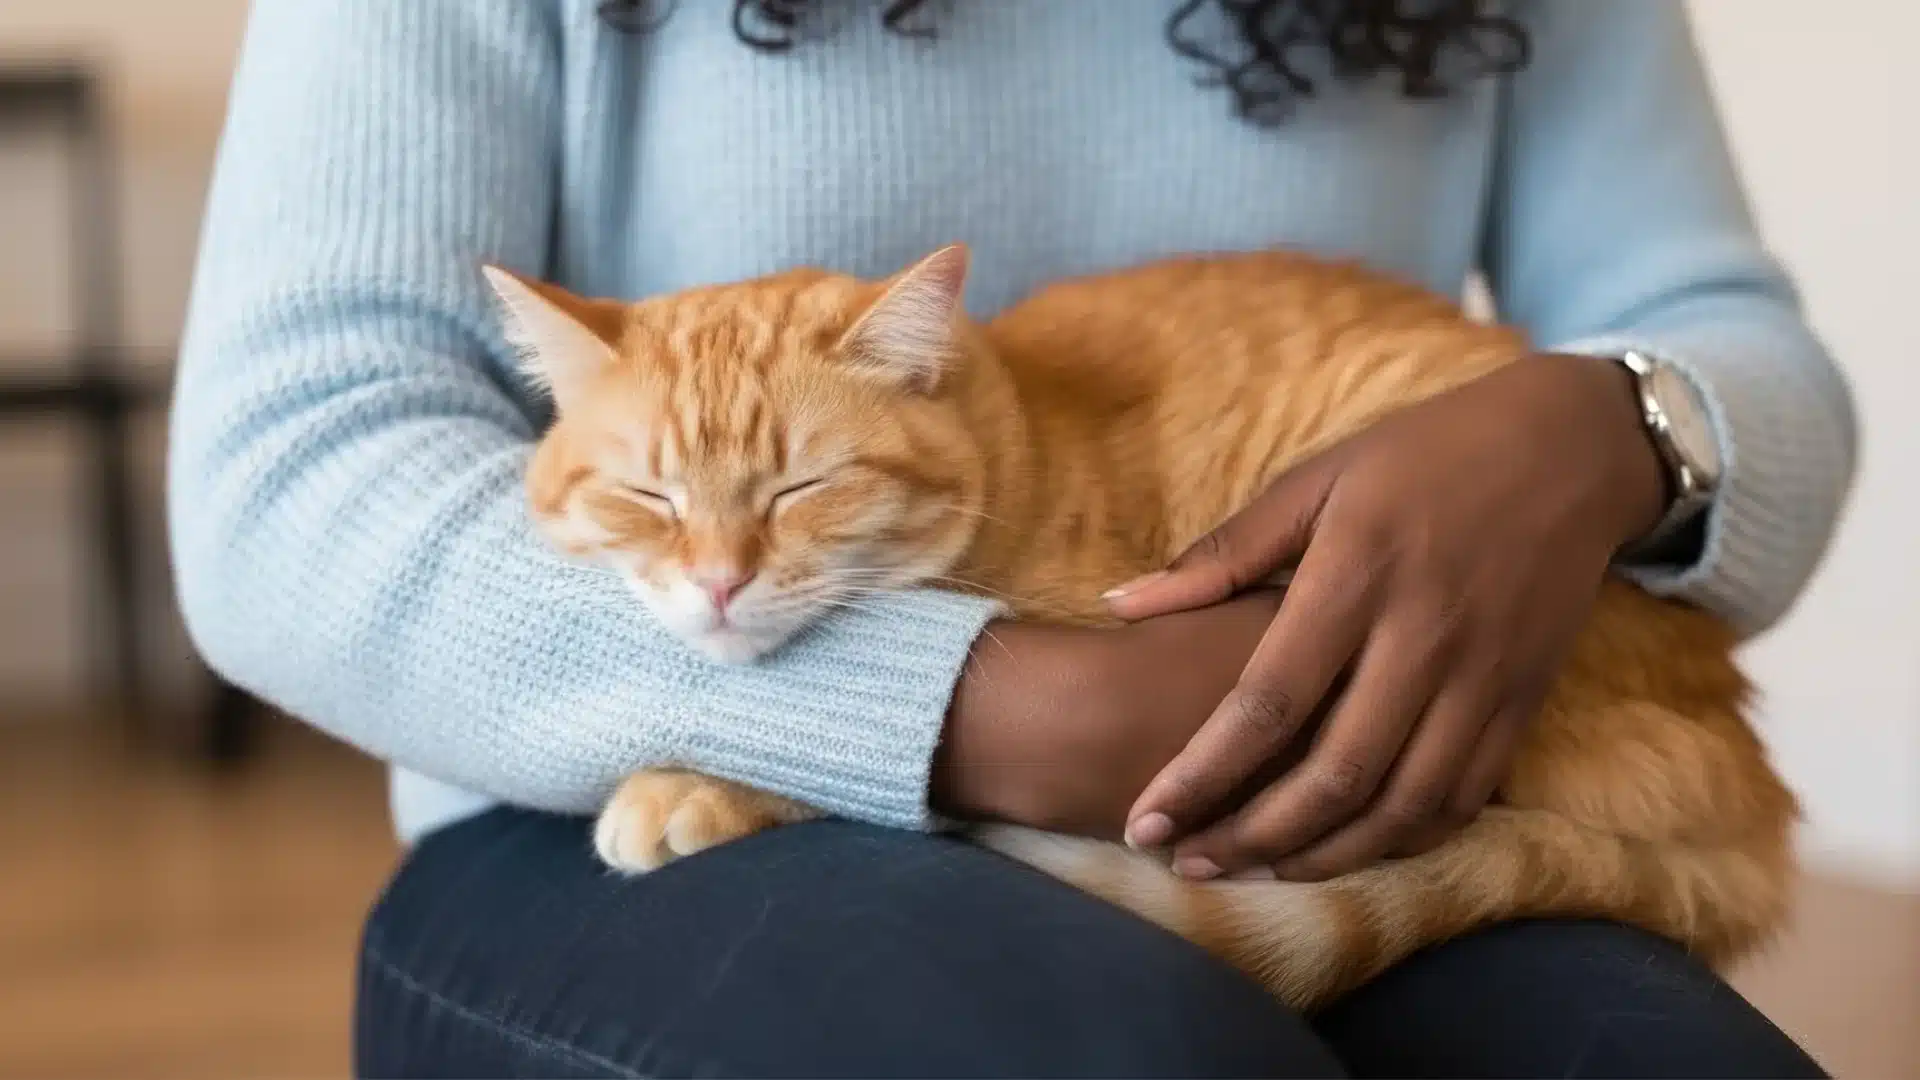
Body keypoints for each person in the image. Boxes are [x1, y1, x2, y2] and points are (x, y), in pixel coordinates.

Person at [169, 1, 1854, 1075]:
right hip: (601, 806)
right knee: (1126, 1055)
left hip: (1381, 774)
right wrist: (982, 705)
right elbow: (287, 477)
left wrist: (1628, 423)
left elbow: (1730, 337)